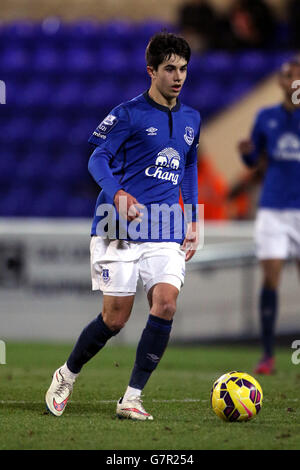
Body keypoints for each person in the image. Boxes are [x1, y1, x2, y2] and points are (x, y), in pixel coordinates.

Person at [45, 32, 201, 420]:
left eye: (183, 69)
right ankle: (67, 373)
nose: (178, 76)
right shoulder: (128, 113)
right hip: (117, 225)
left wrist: (194, 218)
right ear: (151, 71)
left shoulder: (192, 119)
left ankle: (131, 397)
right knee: (115, 318)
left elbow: (189, 166)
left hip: (166, 226)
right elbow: (97, 158)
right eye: (169, 69)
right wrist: (117, 193)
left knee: (165, 304)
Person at [238, 59, 300, 374]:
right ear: (280, 81)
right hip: (273, 208)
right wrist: (246, 152)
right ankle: (267, 355)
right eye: (289, 76)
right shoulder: (266, 117)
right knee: (271, 279)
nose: (293, 81)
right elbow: (254, 159)